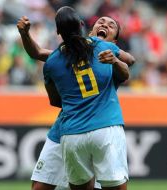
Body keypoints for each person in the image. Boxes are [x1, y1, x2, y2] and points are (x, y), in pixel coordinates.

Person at [17, 13, 134, 190]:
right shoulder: (64, 53)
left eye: (112, 25)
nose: (104, 24)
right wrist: (25, 34)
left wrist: (115, 58)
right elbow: (38, 52)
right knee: (40, 187)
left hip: (89, 127)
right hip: (64, 129)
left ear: (115, 42)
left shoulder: (107, 53)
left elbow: (129, 62)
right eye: (100, 21)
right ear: (87, 28)